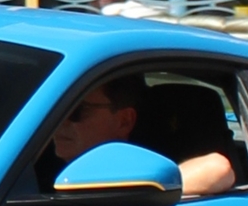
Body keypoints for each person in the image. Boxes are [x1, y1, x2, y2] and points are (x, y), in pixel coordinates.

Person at [48, 74, 236, 197]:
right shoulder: (31, 155)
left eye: (77, 111)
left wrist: (129, 193)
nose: (61, 121)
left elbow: (218, 168)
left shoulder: (133, 170)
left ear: (124, 121)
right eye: (58, 109)